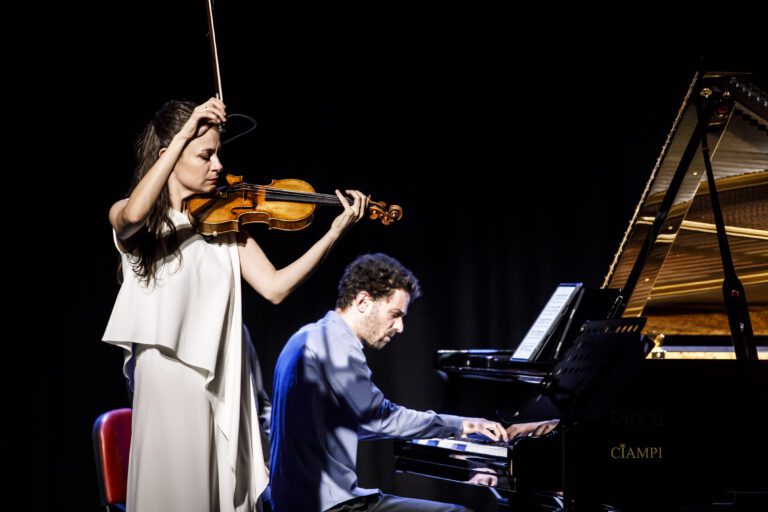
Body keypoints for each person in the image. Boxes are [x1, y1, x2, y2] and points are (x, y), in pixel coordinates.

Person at [102, 96, 369, 512]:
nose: (217, 166)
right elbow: (133, 211)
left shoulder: (226, 223)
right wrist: (185, 131)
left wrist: (333, 234)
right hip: (167, 376)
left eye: (218, 155)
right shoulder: (136, 221)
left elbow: (276, 287)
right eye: (204, 155)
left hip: (222, 375)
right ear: (168, 156)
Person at [269, 253, 556, 512]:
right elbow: (379, 418)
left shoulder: (304, 337)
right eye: (395, 314)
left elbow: (356, 422)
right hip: (330, 505)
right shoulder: (337, 346)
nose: (400, 327)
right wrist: (462, 425)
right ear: (363, 301)